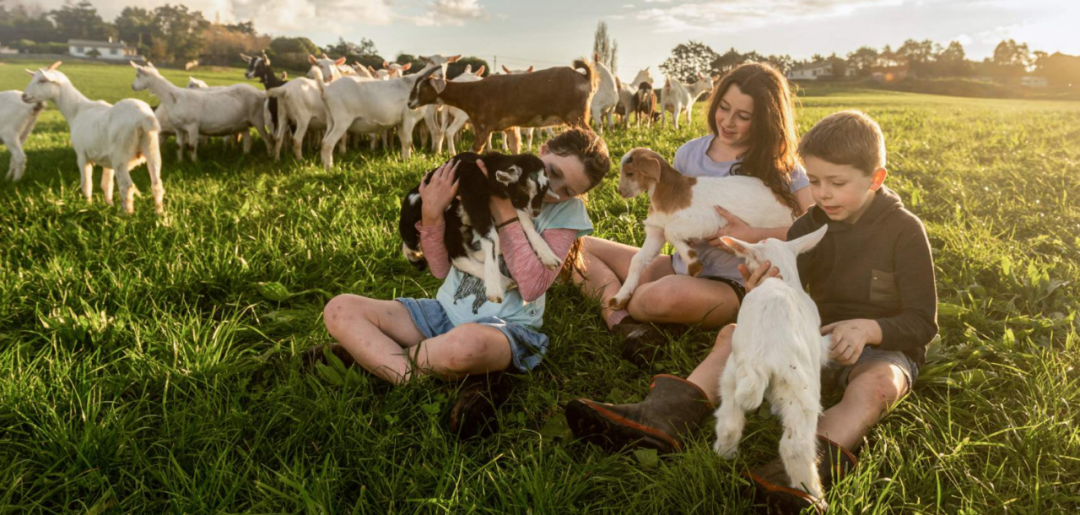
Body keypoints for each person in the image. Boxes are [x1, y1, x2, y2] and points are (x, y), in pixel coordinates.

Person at [566, 110, 938, 511]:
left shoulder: (904, 230)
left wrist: (868, 329)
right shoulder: (811, 224)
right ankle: (661, 418)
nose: (823, 194)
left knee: (878, 385)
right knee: (731, 335)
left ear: (875, 179)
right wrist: (763, 287)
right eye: (814, 182)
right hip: (815, 337)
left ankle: (793, 474)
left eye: (837, 183)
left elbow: (922, 323)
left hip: (882, 346)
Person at [317, 128, 610, 438]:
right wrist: (431, 216)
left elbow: (532, 286)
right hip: (442, 314)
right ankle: (425, 375)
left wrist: (503, 211)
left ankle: (377, 361)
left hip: (503, 330)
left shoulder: (566, 213)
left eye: (567, 190)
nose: (553, 190)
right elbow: (441, 269)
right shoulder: (489, 175)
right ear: (542, 148)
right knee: (340, 309)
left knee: (467, 345)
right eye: (552, 172)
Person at [574, 62, 815, 363]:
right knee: (578, 247)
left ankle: (635, 307)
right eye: (723, 108)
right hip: (679, 266)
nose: (727, 121)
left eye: (743, 116)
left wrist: (751, 235)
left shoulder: (783, 166)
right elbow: (666, 216)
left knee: (652, 298)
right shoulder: (689, 153)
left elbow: (816, 227)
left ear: (766, 120)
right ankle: (618, 315)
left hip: (734, 284)